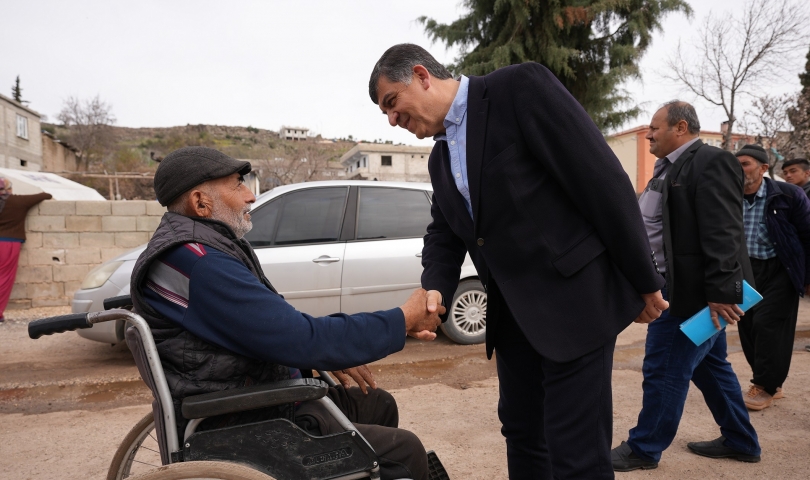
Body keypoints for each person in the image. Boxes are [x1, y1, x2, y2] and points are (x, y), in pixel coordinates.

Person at [368, 44, 667, 479]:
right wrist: (436, 288)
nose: (393, 120)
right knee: (523, 436)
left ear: (421, 75)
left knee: (576, 450)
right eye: (385, 114)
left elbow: (600, 181)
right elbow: (444, 234)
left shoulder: (518, 89)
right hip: (512, 320)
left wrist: (642, 279)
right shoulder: (440, 158)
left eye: (392, 103)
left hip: (573, 305)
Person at [130, 146, 443, 480]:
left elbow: (276, 327)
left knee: (377, 403)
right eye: (237, 184)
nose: (250, 196)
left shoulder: (202, 247)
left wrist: (321, 354)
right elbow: (300, 337)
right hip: (245, 419)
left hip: (252, 395)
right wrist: (404, 318)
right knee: (406, 451)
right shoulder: (200, 263)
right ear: (200, 202)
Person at [611, 102, 761, 471]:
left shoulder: (710, 161)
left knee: (664, 368)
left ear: (680, 127)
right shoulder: (669, 168)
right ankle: (741, 440)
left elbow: (723, 230)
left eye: (654, 128)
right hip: (693, 295)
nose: (648, 135)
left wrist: (721, 295)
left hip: (694, 299)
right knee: (711, 367)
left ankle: (644, 449)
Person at [735, 145, 810, 410]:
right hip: (744, 270)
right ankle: (771, 383)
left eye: (745, 164)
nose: (739, 169)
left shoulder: (789, 195)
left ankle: (764, 385)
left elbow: (807, 234)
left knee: (769, 324)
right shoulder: (728, 196)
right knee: (748, 325)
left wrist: (806, 276)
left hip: (781, 269)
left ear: (763, 168)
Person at [0, 179, 52, 322]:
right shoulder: (18, 201)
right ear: (9, 188)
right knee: (4, 278)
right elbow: (45, 195)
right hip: (8, 243)